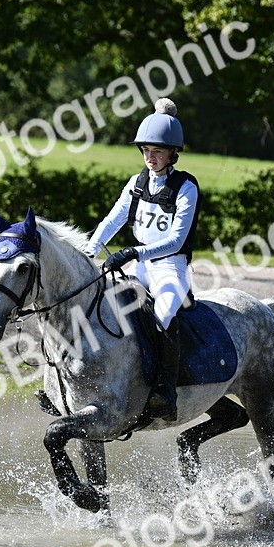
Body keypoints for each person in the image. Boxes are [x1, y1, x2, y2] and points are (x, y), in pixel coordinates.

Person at [85, 97, 200, 423]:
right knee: (99, 304)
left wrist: (134, 252)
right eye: (146, 151)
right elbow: (112, 221)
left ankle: (166, 392)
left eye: (158, 152)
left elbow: (176, 240)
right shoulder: (136, 183)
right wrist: (90, 249)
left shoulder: (186, 186)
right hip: (137, 266)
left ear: (172, 154)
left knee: (163, 314)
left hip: (169, 268)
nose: (150, 158)